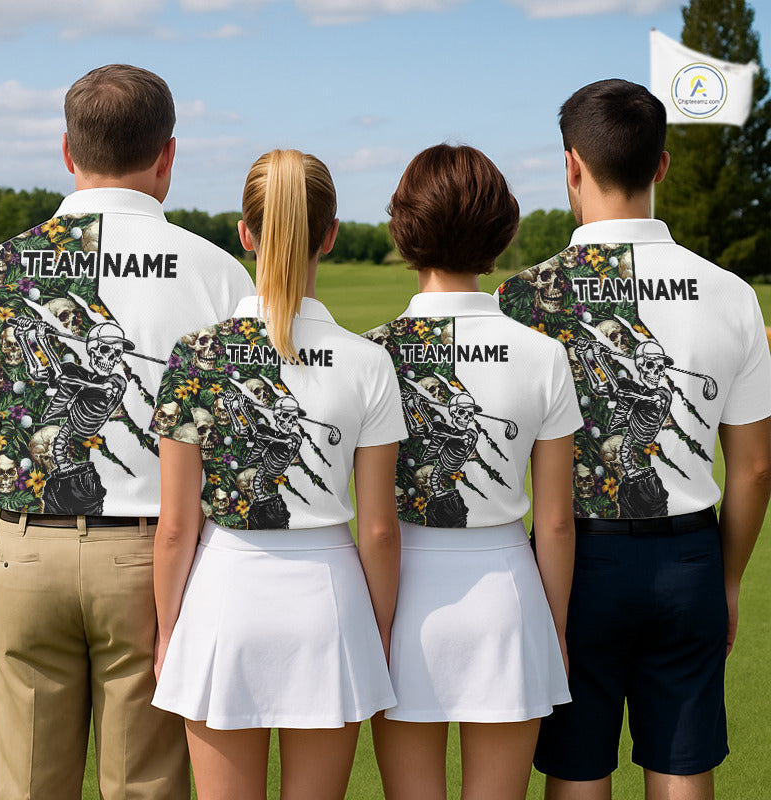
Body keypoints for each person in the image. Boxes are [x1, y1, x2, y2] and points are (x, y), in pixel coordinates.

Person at [0, 64, 254, 799]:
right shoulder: (220, 273)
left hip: (25, 550)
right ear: (168, 155)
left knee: (28, 785)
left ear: (68, 151)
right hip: (155, 561)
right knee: (145, 784)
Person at [497, 79, 771, 800]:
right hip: (689, 558)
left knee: (578, 768)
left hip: (573, 561)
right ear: (662, 166)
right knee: (682, 769)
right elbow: (754, 469)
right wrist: (727, 579)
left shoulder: (520, 298)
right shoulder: (731, 293)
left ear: (571, 167)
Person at [150, 149, 405, 800]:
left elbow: (176, 527)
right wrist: (378, 627)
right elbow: (379, 531)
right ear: (330, 235)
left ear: (245, 233)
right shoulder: (368, 362)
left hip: (223, 597)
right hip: (330, 602)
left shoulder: (195, 356)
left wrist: (167, 631)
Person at [364, 143, 580, 800]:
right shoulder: (543, 355)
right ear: (501, 228)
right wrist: (555, 629)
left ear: (404, 227)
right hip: (507, 597)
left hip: (399, 599)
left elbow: (372, 519)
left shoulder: (370, 353)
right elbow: (557, 523)